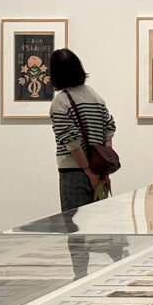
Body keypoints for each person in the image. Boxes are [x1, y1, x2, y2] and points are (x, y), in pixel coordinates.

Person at [49, 49, 117, 212]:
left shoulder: (61, 102)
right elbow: (108, 131)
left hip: (74, 172)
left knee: (75, 228)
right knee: (97, 228)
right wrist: (103, 171)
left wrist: (88, 172)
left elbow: (72, 142)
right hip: (100, 172)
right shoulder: (96, 97)